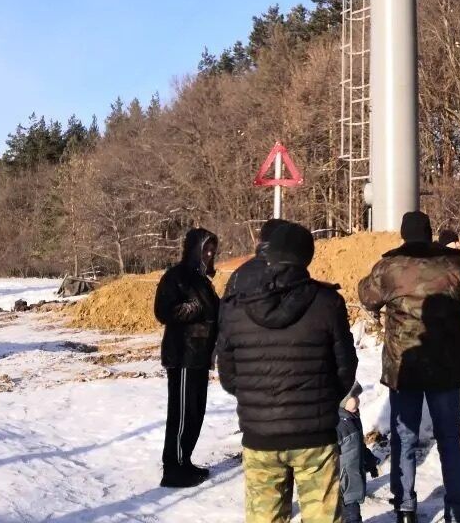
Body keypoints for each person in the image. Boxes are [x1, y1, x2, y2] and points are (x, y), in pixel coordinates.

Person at [217, 220, 358, 523]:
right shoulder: (327, 302)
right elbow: (345, 369)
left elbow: (228, 376)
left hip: (260, 436)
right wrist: (320, 401)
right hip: (315, 437)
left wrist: (260, 400)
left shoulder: (235, 305)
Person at [358, 211, 460, 523]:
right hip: (447, 366)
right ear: (430, 233)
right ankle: (458, 510)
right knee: (450, 439)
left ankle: (405, 508)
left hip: (405, 366)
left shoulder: (389, 266)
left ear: (403, 235)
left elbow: (366, 296)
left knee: (404, 437)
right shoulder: (456, 263)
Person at [154, 226, 221, 488]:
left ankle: (185, 460)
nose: (209, 254)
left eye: (212, 250)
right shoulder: (177, 277)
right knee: (182, 414)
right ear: (193, 249)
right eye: (205, 249)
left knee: (195, 413)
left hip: (199, 357)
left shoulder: (203, 280)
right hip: (182, 355)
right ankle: (173, 468)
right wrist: (194, 309)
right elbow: (163, 311)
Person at [338, 382, 380, 523]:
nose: (357, 399)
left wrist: (371, 463)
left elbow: (360, 448)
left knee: (353, 514)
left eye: (357, 396)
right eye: (352, 396)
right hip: (342, 483)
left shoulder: (353, 419)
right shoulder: (336, 424)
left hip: (354, 481)